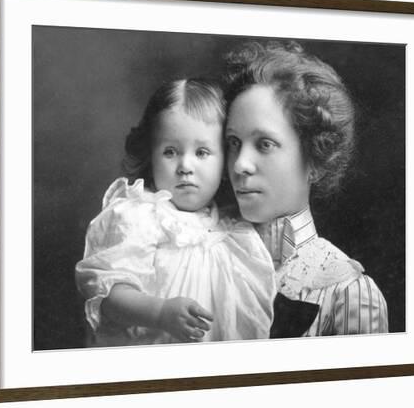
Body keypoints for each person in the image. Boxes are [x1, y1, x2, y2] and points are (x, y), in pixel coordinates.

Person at [75, 78, 276, 346]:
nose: (185, 166)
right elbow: (108, 295)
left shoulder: (236, 230)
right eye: (170, 152)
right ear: (151, 155)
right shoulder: (138, 216)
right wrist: (160, 312)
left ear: (225, 160)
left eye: (202, 152)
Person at [223, 41, 389, 337]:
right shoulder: (199, 254)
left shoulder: (346, 292)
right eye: (234, 143)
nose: (240, 165)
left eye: (265, 144)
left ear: (315, 160)